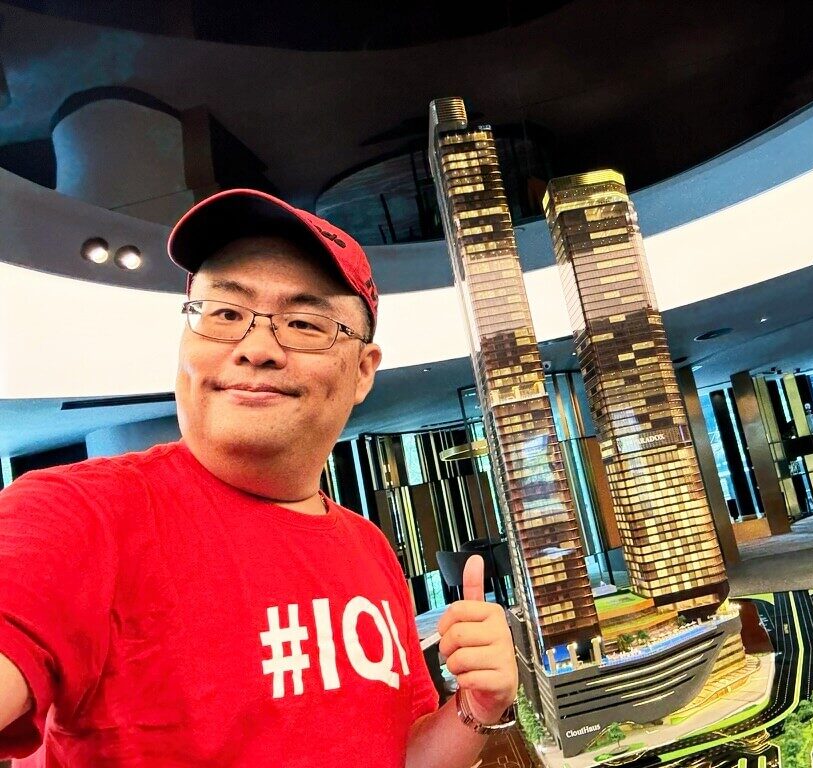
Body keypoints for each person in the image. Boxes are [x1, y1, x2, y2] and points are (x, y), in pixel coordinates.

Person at [0, 189, 518, 767]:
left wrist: (477, 707)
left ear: (362, 372)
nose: (257, 348)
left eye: (304, 322)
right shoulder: (78, 515)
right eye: (224, 314)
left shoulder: (369, 548)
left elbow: (397, 756)